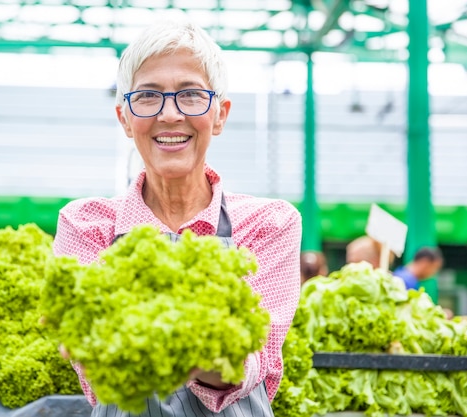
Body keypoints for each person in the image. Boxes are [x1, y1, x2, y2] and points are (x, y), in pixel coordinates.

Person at [53, 19, 302, 417]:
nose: (170, 115)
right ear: (124, 118)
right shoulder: (86, 225)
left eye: (190, 95)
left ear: (219, 115)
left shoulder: (268, 225)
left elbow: (255, 361)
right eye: (149, 96)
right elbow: (95, 370)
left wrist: (163, 340)